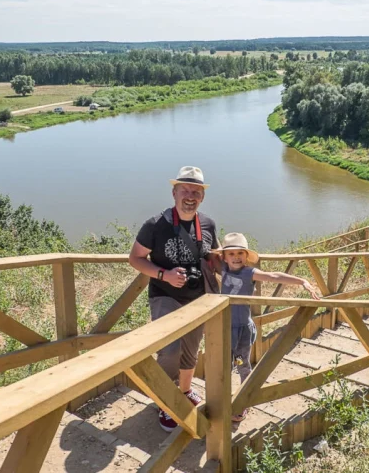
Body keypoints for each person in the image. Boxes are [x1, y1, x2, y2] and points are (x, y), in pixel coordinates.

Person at [128, 166, 220, 433]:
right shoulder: (155, 225)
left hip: (198, 297)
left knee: (191, 348)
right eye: (185, 190)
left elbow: (210, 256)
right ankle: (165, 401)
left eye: (196, 191)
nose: (190, 195)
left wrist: (232, 266)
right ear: (174, 193)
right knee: (169, 350)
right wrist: (164, 274)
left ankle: (185, 390)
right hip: (165, 294)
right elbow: (135, 258)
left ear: (202, 196)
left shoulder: (209, 224)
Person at [214, 232, 319, 422]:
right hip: (224, 327)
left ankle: (242, 402)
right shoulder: (222, 268)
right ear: (224, 257)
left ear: (246, 256)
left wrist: (302, 281)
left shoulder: (249, 272)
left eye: (240, 253)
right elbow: (205, 253)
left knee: (242, 364)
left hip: (243, 330)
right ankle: (221, 401)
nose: (236, 257)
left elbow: (273, 276)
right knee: (223, 365)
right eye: (231, 254)